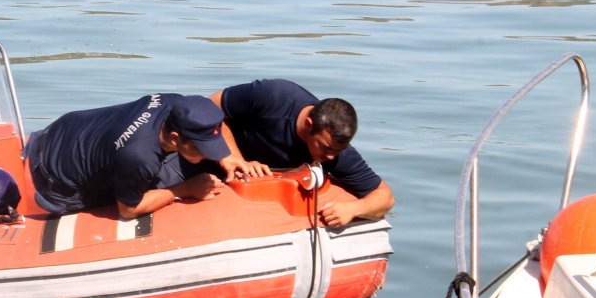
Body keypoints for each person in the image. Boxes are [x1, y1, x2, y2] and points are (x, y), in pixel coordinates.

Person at [207, 79, 394, 227]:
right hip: (215, 160)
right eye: (326, 148)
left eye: (339, 151)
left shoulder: (336, 152)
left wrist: (353, 209)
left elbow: (384, 196)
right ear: (309, 125)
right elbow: (211, 106)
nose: (331, 157)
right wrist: (232, 157)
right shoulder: (273, 96)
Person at [27, 93, 229, 218]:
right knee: (144, 193)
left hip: (60, 132)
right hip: (55, 181)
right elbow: (128, 210)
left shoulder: (173, 103)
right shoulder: (140, 156)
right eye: (201, 148)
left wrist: (227, 157)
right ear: (175, 138)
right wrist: (186, 188)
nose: (207, 154)